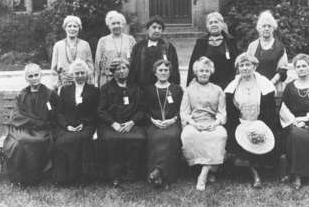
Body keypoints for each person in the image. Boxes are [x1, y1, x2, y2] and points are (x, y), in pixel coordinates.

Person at [225, 53, 276, 188]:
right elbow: (231, 114)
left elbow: (270, 111)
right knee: (239, 140)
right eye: (241, 65)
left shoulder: (265, 84)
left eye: (248, 65)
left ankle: (255, 171)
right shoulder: (232, 87)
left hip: (261, 123)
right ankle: (253, 173)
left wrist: (258, 126)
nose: (245, 68)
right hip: (240, 124)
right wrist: (241, 127)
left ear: (254, 66)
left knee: (257, 138)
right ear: (238, 68)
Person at [279, 54, 309, 190]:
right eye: (298, 66)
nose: (301, 69)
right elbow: (283, 108)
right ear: (295, 69)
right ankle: (297, 175)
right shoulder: (289, 87)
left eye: (304, 66)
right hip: (294, 122)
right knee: (296, 136)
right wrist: (295, 121)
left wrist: (307, 118)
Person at [3, 63, 57, 185]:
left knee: (32, 141)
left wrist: (44, 122)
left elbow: (56, 113)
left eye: (36, 75)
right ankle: (20, 178)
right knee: (18, 142)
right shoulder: (22, 95)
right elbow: (17, 115)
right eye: (30, 76)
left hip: (43, 129)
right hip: (25, 128)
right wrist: (33, 122)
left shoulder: (50, 94)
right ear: (26, 78)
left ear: (41, 75)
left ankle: (33, 177)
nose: (34, 78)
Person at [180, 57, 227, 191]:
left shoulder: (218, 90)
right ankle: (210, 168)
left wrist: (216, 123)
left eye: (207, 71)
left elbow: (222, 113)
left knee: (220, 135)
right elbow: (184, 112)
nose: (204, 73)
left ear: (211, 72)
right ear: (196, 72)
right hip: (195, 123)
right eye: (201, 71)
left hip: (212, 123)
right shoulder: (189, 90)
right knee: (188, 135)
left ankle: (204, 173)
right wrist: (194, 124)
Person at [97, 58, 146, 186]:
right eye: (118, 69)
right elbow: (101, 111)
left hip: (131, 124)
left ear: (128, 70)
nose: (122, 71)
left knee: (138, 138)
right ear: (113, 72)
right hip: (111, 124)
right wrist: (114, 124)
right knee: (111, 139)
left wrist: (132, 122)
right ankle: (114, 175)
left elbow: (142, 109)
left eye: (124, 68)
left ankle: (132, 173)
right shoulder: (106, 88)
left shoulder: (135, 87)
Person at [53, 59, 99, 184]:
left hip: (87, 125)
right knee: (62, 141)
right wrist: (67, 126)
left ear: (87, 74)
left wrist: (83, 124)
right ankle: (64, 178)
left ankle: (83, 177)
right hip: (67, 125)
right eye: (77, 73)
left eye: (82, 73)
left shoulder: (94, 90)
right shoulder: (64, 90)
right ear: (72, 75)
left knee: (82, 139)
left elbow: (96, 112)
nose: (79, 76)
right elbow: (59, 112)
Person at [143, 59, 183, 188]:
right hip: (154, 123)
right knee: (155, 138)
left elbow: (181, 109)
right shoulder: (148, 90)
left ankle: (159, 172)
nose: (163, 72)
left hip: (172, 123)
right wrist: (153, 120)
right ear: (155, 72)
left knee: (170, 137)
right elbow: (144, 110)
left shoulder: (176, 89)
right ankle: (160, 175)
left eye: (166, 70)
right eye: (160, 70)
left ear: (170, 72)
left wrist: (173, 120)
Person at [187, 12, 239, 89]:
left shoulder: (230, 41)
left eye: (216, 22)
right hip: (205, 83)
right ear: (207, 26)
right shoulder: (201, 42)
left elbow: (236, 64)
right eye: (210, 23)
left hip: (226, 84)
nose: (213, 25)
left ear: (222, 24)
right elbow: (194, 64)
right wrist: (191, 84)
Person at [129, 16, 180, 87]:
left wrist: (174, 88)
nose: (157, 30)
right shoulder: (139, 47)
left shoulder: (168, 47)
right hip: (142, 89)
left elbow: (174, 70)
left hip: (162, 89)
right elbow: (133, 70)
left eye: (160, 28)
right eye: (154, 27)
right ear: (147, 29)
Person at [247, 10, 288, 97]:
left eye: (269, 26)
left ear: (273, 28)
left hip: (274, 87)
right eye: (264, 26)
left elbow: (282, 70)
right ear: (259, 28)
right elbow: (247, 66)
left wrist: (269, 84)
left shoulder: (280, 47)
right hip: (255, 87)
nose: (266, 28)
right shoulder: (252, 46)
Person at [95, 11, 136, 88]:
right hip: (108, 78)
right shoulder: (103, 40)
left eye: (118, 23)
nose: (116, 26)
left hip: (126, 79)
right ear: (108, 25)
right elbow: (98, 63)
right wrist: (96, 81)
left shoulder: (131, 39)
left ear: (123, 25)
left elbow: (136, 60)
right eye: (113, 24)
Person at [51, 15, 93, 87]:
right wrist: (57, 84)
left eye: (75, 26)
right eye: (69, 26)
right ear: (65, 28)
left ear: (79, 28)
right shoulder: (58, 45)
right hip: (64, 84)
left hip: (81, 83)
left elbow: (90, 67)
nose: (72, 29)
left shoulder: (85, 45)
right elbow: (54, 69)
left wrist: (89, 83)